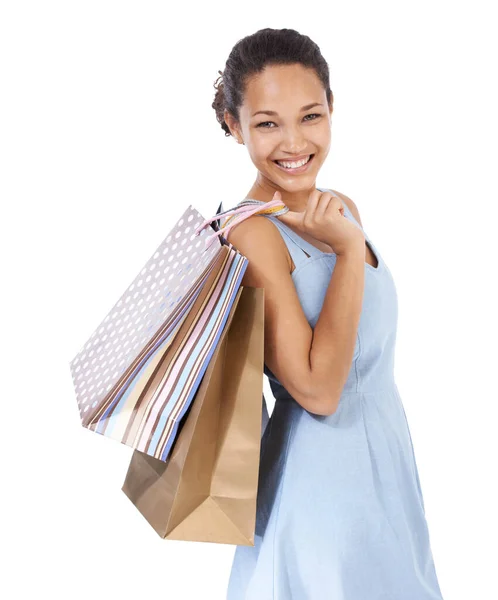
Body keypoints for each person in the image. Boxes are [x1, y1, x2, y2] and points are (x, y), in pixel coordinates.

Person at [212, 27, 445, 600]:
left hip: (386, 477)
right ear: (233, 125)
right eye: (267, 123)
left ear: (333, 111)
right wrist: (345, 249)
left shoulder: (340, 209)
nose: (294, 142)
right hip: (317, 496)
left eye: (310, 116)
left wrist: (342, 234)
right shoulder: (251, 234)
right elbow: (317, 391)